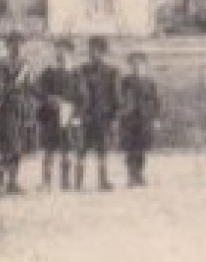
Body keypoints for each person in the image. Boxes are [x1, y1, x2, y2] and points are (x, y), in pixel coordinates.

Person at [0, 29, 38, 193]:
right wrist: (6, 89)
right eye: (12, 43)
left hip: (22, 107)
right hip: (6, 107)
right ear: (7, 45)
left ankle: (12, 181)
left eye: (18, 43)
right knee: (7, 145)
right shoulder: (1, 64)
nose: (16, 46)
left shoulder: (26, 64)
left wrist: (31, 103)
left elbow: (31, 87)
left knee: (19, 145)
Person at [36, 38, 85, 190]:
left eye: (65, 50)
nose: (62, 53)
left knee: (67, 147)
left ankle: (65, 181)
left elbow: (83, 96)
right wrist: (49, 98)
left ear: (70, 54)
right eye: (59, 50)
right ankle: (46, 181)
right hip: (51, 115)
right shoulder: (48, 72)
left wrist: (76, 113)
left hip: (69, 114)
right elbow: (38, 91)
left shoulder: (77, 74)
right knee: (49, 148)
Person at [76, 35, 121, 190]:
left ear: (103, 52)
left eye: (97, 50)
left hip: (103, 116)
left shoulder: (112, 72)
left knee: (102, 148)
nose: (93, 53)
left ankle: (103, 180)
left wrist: (115, 117)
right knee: (81, 148)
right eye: (91, 49)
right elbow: (78, 92)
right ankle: (78, 182)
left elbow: (116, 96)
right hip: (85, 115)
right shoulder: (82, 70)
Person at [118, 51, 162, 187]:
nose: (136, 67)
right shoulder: (125, 81)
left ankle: (139, 174)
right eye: (133, 64)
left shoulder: (150, 82)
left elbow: (155, 101)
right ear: (130, 65)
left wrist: (156, 118)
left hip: (145, 119)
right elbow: (120, 99)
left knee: (142, 148)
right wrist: (121, 114)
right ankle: (131, 175)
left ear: (145, 65)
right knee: (130, 148)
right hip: (129, 119)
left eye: (139, 64)